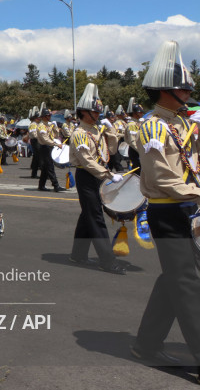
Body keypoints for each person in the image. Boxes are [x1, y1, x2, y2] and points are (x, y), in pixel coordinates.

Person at [132, 40, 200, 374]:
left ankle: (146, 345)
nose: (188, 93)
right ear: (164, 90)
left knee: (174, 278)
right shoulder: (152, 127)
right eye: (182, 88)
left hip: (188, 207)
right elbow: (161, 177)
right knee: (187, 283)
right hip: (168, 210)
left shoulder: (183, 123)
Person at [68, 83, 126, 275]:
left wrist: (110, 132)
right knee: (96, 217)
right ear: (84, 112)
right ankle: (107, 261)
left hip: (98, 175)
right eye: (95, 111)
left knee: (88, 215)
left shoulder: (96, 131)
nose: (98, 114)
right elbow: (87, 161)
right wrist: (109, 175)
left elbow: (111, 151)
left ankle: (78, 254)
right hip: (87, 176)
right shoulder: (79, 134)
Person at [37, 103, 65, 192]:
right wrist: (56, 144)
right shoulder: (41, 126)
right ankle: (56, 185)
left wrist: (55, 127)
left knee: (45, 168)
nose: (50, 117)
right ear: (44, 116)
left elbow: (55, 136)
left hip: (49, 147)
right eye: (48, 115)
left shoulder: (49, 125)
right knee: (50, 167)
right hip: (45, 147)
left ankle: (41, 185)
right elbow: (45, 139)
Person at [125, 98, 144, 172]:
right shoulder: (132, 125)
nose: (142, 114)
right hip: (135, 150)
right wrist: (141, 151)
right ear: (135, 113)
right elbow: (133, 141)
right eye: (140, 112)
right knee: (138, 171)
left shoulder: (137, 123)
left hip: (139, 149)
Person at [29, 107, 41, 178]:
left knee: (37, 157)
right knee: (38, 157)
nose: (40, 118)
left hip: (37, 140)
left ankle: (34, 173)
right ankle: (34, 173)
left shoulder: (37, 124)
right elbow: (34, 134)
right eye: (38, 117)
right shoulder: (33, 124)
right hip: (35, 141)